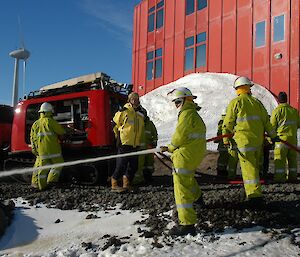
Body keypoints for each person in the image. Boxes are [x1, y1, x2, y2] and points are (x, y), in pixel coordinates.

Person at [222, 77, 278, 203]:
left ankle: (254, 196)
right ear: (248, 88)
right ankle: (254, 190)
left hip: (244, 143)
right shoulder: (257, 103)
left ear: (237, 89)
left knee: (249, 170)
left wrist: (225, 139)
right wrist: (273, 136)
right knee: (255, 168)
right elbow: (267, 123)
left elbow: (228, 123)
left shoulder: (236, 103)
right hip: (257, 143)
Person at [161, 87, 206, 236]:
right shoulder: (194, 114)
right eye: (175, 103)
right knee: (188, 179)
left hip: (185, 155)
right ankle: (198, 198)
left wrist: (170, 147)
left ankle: (187, 224)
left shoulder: (186, 114)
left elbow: (179, 136)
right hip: (193, 154)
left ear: (187, 100)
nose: (177, 105)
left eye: (178, 101)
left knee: (181, 189)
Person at [111, 92, 144, 192]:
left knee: (133, 166)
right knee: (121, 165)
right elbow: (115, 123)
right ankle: (114, 184)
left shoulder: (140, 113)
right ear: (129, 100)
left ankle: (127, 184)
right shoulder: (124, 111)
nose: (135, 101)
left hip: (135, 144)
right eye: (133, 99)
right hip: (124, 143)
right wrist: (118, 137)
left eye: (137, 99)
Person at [30, 102, 65, 190]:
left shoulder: (35, 124)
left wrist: (34, 149)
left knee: (42, 168)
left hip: (41, 150)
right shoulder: (51, 121)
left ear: (41, 112)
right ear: (49, 112)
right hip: (53, 149)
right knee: (58, 164)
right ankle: (51, 181)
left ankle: (40, 186)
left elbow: (32, 138)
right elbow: (61, 132)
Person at [270, 92, 300, 182]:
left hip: (281, 141)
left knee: (280, 160)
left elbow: (272, 127)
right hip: (292, 140)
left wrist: (270, 139)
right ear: (287, 99)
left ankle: (280, 178)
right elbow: (298, 124)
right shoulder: (294, 111)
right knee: (293, 160)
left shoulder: (276, 111)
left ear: (278, 100)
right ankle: (293, 177)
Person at [134, 108, 158, 185]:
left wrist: (154, 144)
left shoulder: (150, 124)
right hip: (139, 149)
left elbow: (154, 134)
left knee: (149, 164)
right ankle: (138, 180)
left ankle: (148, 177)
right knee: (139, 165)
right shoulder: (135, 123)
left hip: (149, 148)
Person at [215, 111, 238, 180]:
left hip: (223, 145)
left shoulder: (222, 121)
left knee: (222, 159)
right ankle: (231, 175)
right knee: (232, 160)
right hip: (231, 144)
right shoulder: (233, 121)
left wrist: (218, 139)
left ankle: (221, 173)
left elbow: (219, 132)